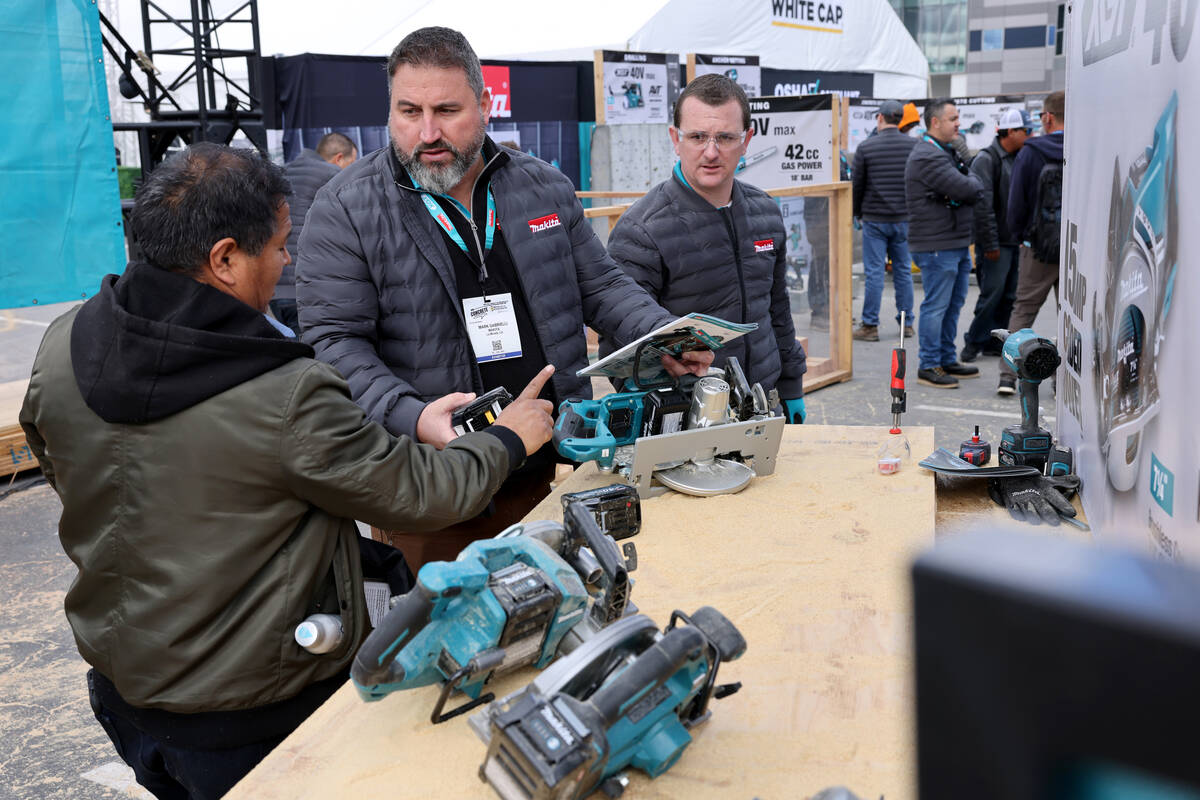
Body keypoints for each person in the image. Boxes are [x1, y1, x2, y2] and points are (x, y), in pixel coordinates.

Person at [18, 143, 555, 800]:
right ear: (223, 260)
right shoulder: (285, 392)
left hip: (123, 684)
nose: (288, 260)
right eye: (277, 246)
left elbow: (58, 459)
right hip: (250, 713)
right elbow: (420, 494)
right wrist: (506, 441)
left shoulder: (66, 342)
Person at [296, 27, 710, 568]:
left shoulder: (541, 187)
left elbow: (603, 286)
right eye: (408, 111)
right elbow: (332, 341)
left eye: (447, 110)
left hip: (551, 466)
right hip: (435, 487)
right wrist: (413, 416)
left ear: (485, 105)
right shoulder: (347, 208)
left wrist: (662, 337)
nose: (427, 132)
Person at [600, 74, 807, 422]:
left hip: (763, 405)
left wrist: (791, 386)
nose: (711, 152)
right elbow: (620, 348)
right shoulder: (642, 230)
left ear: (747, 141)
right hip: (687, 413)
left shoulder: (765, 212)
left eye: (725, 137)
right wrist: (673, 403)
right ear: (675, 139)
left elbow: (777, 309)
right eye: (697, 137)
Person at [904, 98, 984, 389]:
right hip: (937, 244)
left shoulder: (942, 151)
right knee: (937, 305)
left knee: (953, 303)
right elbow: (969, 188)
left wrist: (966, 167)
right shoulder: (928, 156)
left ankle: (946, 358)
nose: (958, 124)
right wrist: (972, 170)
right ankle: (929, 364)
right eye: (953, 119)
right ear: (935, 122)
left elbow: (966, 187)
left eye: (958, 118)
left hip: (954, 241)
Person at [997, 91, 1065, 396]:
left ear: (1047, 117)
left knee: (1024, 308)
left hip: (1037, 246)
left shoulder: (1031, 151)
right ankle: (1064, 379)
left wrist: (1021, 236)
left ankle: (1009, 376)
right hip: (1076, 245)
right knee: (1072, 313)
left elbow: (1016, 203)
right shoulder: (1088, 143)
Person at [961, 108, 1031, 363]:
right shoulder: (987, 160)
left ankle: (993, 342)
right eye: (1026, 131)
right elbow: (983, 206)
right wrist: (989, 243)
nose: (1030, 135)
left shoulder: (1017, 157)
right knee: (991, 294)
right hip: (996, 242)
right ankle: (972, 342)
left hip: (1013, 240)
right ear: (1010, 132)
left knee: (1010, 296)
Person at [269, 132, 358, 331]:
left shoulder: (282, 172)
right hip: (309, 289)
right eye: (352, 163)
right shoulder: (335, 176)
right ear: (339, 159)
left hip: (272, 286)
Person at [851, 99, 917, 342]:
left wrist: (856, 213)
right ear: (899, 119)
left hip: (875, 220)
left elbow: (857, 185)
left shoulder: (867, 147)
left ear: (880, 118)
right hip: (904, 220)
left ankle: (870, 326)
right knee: (903, 272)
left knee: (875, 274)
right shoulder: (913, 146)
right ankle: (906, 324)